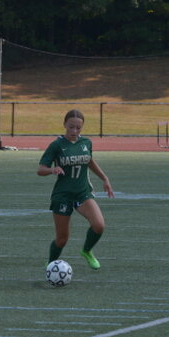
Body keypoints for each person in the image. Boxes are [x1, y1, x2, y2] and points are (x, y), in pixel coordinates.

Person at [37, 109, 115, 270]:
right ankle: (51, 263)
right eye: (71, 127)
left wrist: (104, 178)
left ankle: (86, 251)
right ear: (65, 124)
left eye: (78, 128)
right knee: (62, 240)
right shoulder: (56, 145)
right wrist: (52, 170)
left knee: (99, 225)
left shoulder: (86, 143)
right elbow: (41, 169)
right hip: (63, 195)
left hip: (82, 192)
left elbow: (89, 161)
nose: (74, 131)